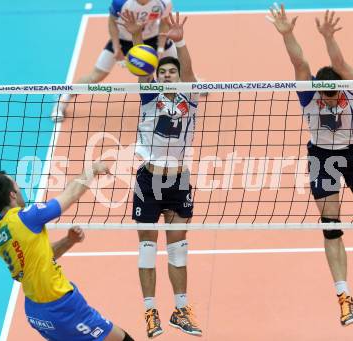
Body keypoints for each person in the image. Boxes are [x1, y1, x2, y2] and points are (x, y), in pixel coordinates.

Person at [267, 3, 353, 326]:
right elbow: (300, 62)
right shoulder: (308, 93)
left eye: (333, 96)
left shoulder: (350, 86)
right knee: (331, 228)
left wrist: (327, 37)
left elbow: (339, 62)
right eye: (325, 97)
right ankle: (344, 296)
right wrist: (288, 34)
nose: (329, 101)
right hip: (322, 156)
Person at [119, 10, 202, 338]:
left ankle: (180, 310)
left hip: (179, 182)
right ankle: (150, 312)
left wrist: (179, 42)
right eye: (163, 72)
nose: (167, 75)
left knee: (179, 248)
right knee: (147, 249)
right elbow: (140, 66)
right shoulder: (150, 98)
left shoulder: (190, 98)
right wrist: (138, 38)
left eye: (172, 72)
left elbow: (190, 72)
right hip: (148, 180)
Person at [0, 162, 134, 341]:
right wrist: (92, 169)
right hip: (61, 307)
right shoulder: (27, 217)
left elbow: (36, 261)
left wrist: (68, 241)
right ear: (12, 194)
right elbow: (71, 194)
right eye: (17, 186)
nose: (21, 190)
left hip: (36, 312)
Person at [51, 0, 175, 122]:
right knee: (96, 75)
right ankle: (63, 100)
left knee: (173, 70)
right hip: (124, 40)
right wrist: (116, 48)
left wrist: (161, 47)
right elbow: (112, 22)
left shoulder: (164, 2)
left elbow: (164, 23)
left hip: (153, 39)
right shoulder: (121, 3)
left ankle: (175, 102)